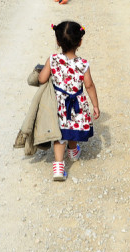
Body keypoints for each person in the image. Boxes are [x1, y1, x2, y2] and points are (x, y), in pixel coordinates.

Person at [38, 21, 100, 181]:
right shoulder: (83, 64)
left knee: (61, 134)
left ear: (57, 42)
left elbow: (42, 79)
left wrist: (41, 73)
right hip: (76, 105)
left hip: (58, 104)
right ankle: (73, 152)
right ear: (80, 42)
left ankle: (59, 166)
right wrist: (95, 105)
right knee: (72, 127)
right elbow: (89, 85)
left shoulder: (52, 60)